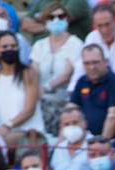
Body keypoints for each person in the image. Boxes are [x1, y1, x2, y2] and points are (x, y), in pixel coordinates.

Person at [0, 30, 45, 151]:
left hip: (28, 132)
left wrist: (7, 126)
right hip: (1, 133)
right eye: (5, 47)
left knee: (0, 143)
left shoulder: (29, 73)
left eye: (13, 46)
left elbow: (29, 109)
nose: (10, 49)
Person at [30, 2, 84, 135]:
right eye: (51, 17)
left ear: (67, 18)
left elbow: (67, 74)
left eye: (60, 16)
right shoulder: (39, 45)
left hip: (64, 94)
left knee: (45, 101)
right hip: (41, 93)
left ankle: (50, 135)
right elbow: (33, 71)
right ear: (45, 21)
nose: (56, 20)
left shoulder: (75, 43)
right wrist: (35, 90)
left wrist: (45, 88)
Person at [69, 45, 115, 138]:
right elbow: (70, 110)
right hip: (83, 139)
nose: (91, 67)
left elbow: (113, 117)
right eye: (87, 63)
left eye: (95, 62)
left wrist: (101, 142)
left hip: (107, 140)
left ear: (105, 62)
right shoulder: (82, 81)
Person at [49, 105, 92, 170]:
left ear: (84, 124)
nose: (71, 127)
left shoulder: (96, 145)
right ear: (61, 127)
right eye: (66, 124)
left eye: (75, 123)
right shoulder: (58, 148)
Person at [20, 0, 91, 40]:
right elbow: (25, 25)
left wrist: (38, 16)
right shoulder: (43, 1)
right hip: (42, 51)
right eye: (50, 18)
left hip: (69, 51)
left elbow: (62, 16)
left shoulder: (78, 1)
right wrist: (48, 27)